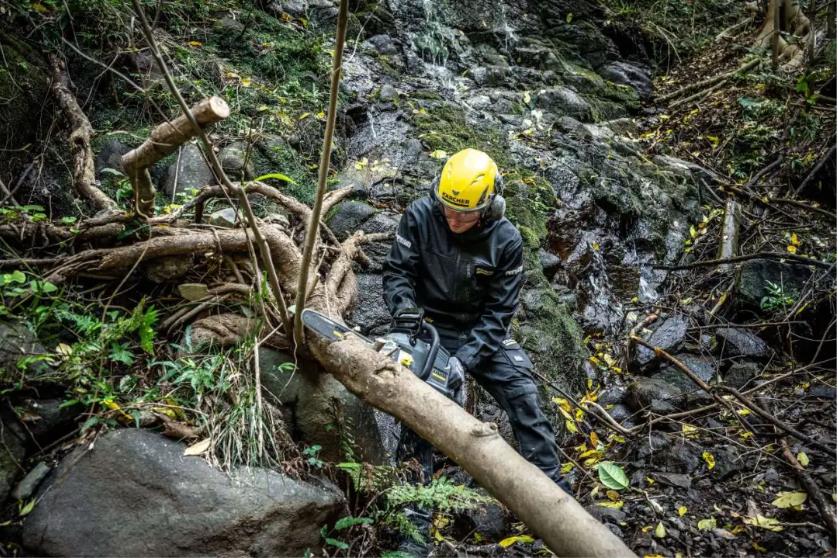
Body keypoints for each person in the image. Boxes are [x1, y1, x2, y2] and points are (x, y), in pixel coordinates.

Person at [382, 148, 570, 553]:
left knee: (523, 393)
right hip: (425, 326)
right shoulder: (418, 216)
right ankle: (412, 521)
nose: (453, 220)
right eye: (447, 209)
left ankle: (556, 499)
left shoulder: (506, 240)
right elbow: (397, 273)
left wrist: (463, 360)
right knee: (420, 410)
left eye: (464, 214)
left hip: (480, 332)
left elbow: (500, 313)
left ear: (490, 206)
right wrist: (405, 313)